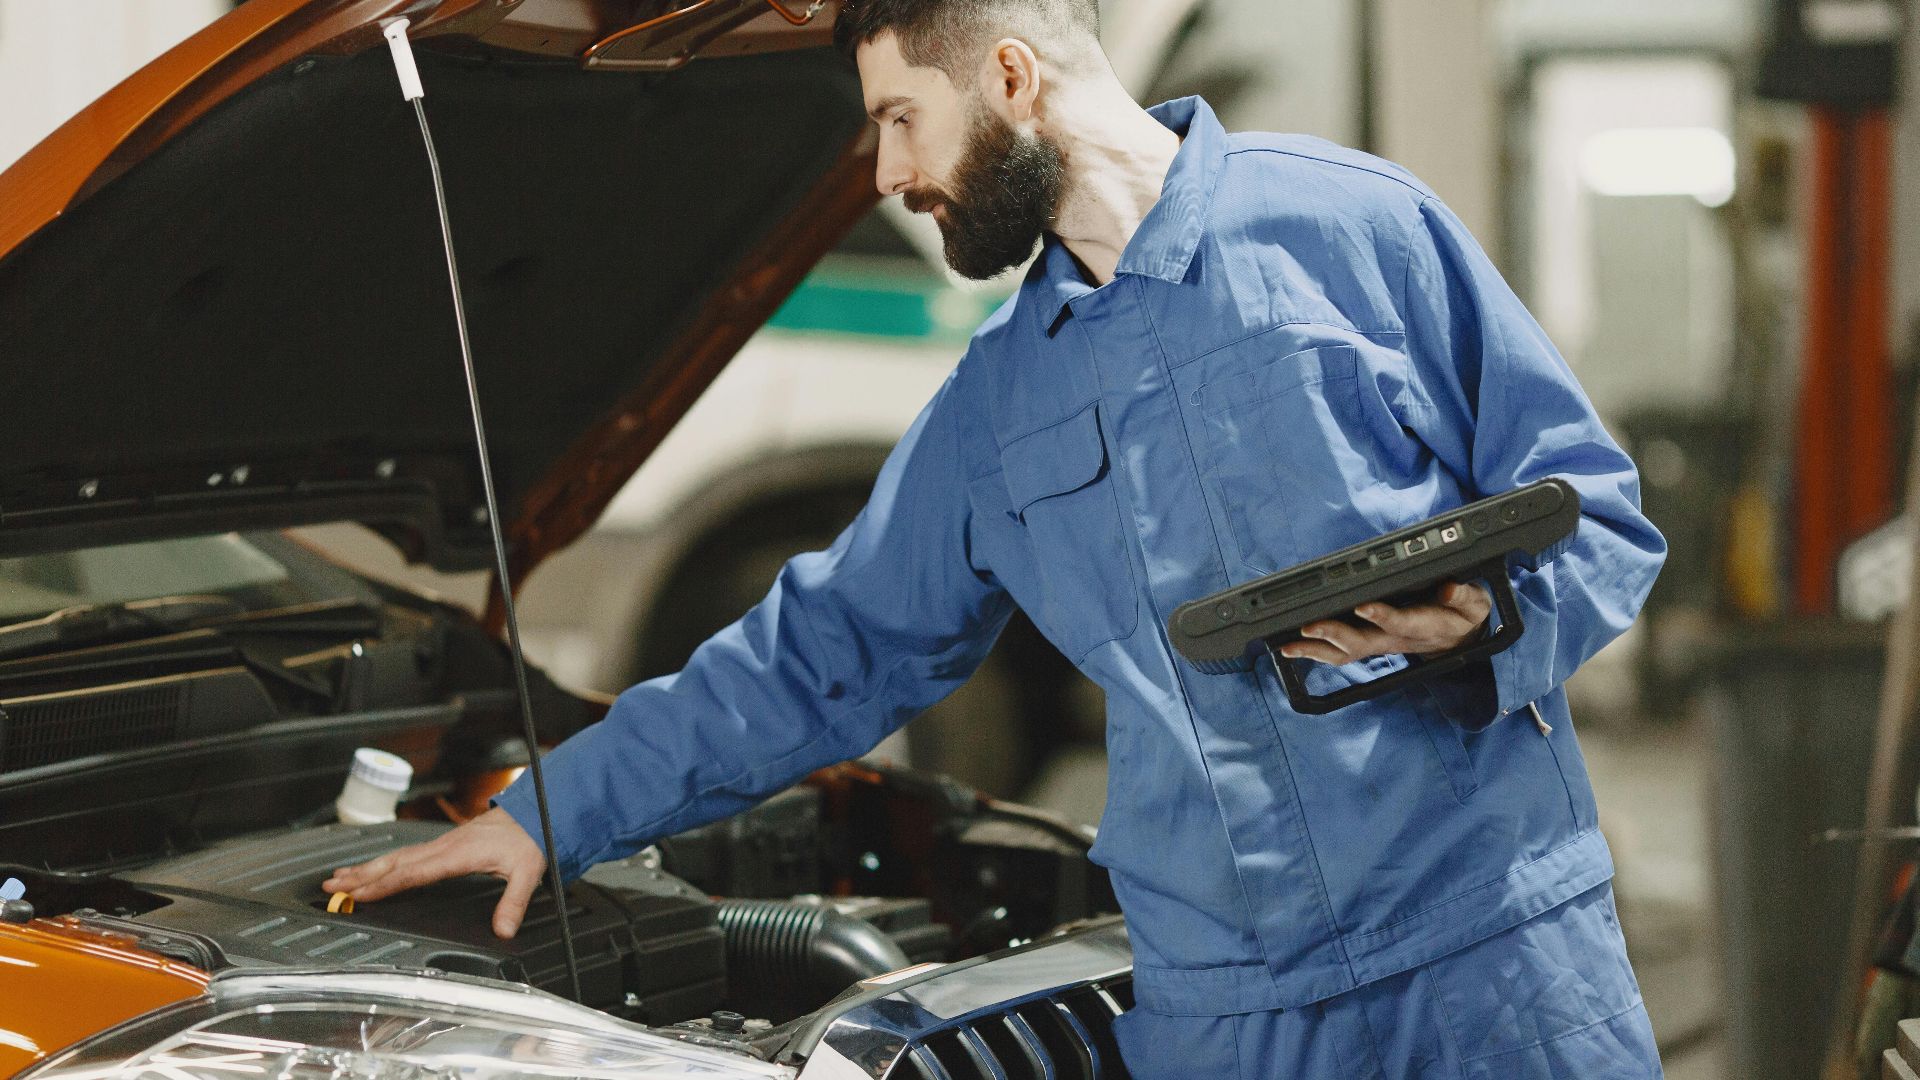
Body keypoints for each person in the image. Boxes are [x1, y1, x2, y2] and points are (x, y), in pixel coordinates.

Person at [325, 1, 1669, 1074]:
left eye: (903, 117)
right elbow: (824, 653)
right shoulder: (996, 405)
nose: (891, 171)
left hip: (1491, 955)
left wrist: (1485, 618)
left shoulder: (1355, 230)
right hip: (1238, 1012)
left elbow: (1596, 514)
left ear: (1013, 77)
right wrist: (549, 815)